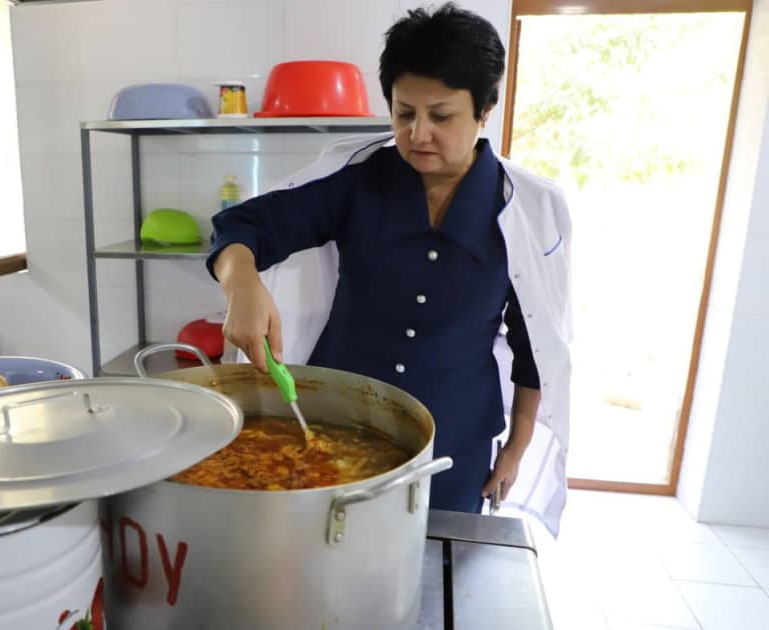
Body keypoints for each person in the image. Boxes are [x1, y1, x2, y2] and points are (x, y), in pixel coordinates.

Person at [207, 3, 572, 530]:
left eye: (441, 116)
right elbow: (244, 226)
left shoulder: (525, 211)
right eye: (404, 113)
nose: (418, 133)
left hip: (455, 445)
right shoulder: (357, 180)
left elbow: (534, 346)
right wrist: (242, 282)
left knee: (433, 573)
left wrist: (515, 449)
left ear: (485, 109)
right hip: (339, 424)